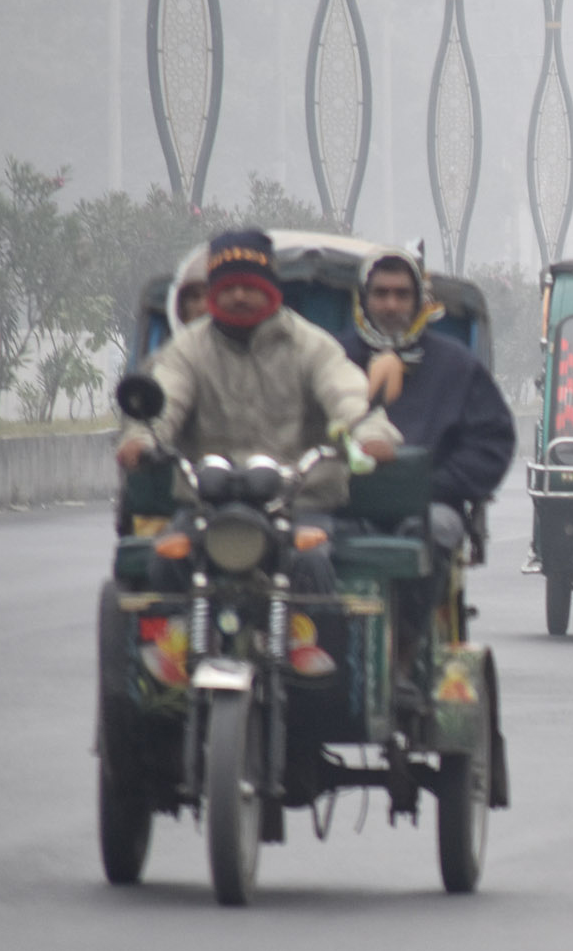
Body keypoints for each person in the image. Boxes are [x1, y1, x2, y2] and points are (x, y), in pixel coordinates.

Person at [117, 230, 400, 667]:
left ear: (272, 288)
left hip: (297, 505)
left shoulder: (312, 345)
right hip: (208, 506)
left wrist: (369, 435)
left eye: (251, 286)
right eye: (228, 287)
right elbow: (163, 403)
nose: (240, 297)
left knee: (311, 563)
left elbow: (348, 397)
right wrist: (141, 440)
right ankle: (168, 694)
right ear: (213, 292)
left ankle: (313, 687)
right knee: (166, 562)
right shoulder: (188, 350)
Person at [338, 247, 516, 564]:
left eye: (401, 294)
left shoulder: (456, 365)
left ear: (419, 300)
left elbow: (492, 443)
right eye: (381, 294)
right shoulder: (334, 360)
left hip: (431, 506)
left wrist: (430, 484)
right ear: (363, 298)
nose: (391, 305)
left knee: (431, 534)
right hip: (342, 503)